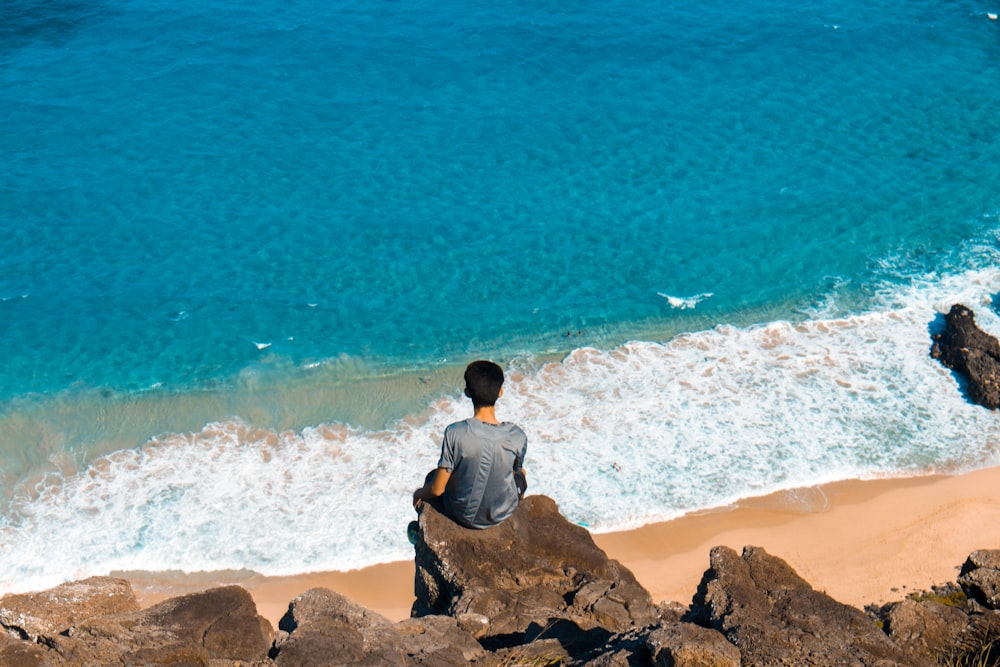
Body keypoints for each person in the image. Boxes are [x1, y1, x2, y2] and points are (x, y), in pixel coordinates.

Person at [412, 360, 527, 529]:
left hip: (460, 514)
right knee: (521, 473)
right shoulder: (517, 436)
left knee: (433, 477)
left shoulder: (455, 432)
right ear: (500, 392)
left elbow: (437, 490)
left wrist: (418, 494)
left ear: (467, 392)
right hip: (501, 514)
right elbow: (516, 472)